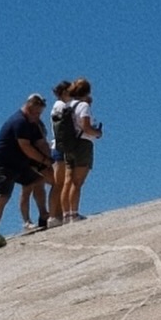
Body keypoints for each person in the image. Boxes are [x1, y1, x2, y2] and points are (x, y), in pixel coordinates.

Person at [0, 95, 54, 237]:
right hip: (3, 164)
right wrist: (44, 160)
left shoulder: (32, 123)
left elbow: (41, 143)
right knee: (3, 197)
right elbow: (26, 147)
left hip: (19, 163)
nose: (38, 116)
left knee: (37, 180)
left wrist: (50, 159)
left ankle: (43, 215)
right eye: (36, 112)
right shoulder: (19, 122)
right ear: (29, 108)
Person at [60, 77, 103, 222]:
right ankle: (74, 213)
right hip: (82, 144)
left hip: (68, 145)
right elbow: (86, 127)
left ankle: (65, 214)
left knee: (68, 180)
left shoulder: (67, 105)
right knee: (77, 182)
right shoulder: (83, 106)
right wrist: (97, 133)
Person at [45, 80, 73, 228]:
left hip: (59, 146)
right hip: (61, 147)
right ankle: (54, 215)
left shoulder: (59, 106)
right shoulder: (61, 106)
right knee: (59, 183)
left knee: (61, 183)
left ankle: (58, 214)